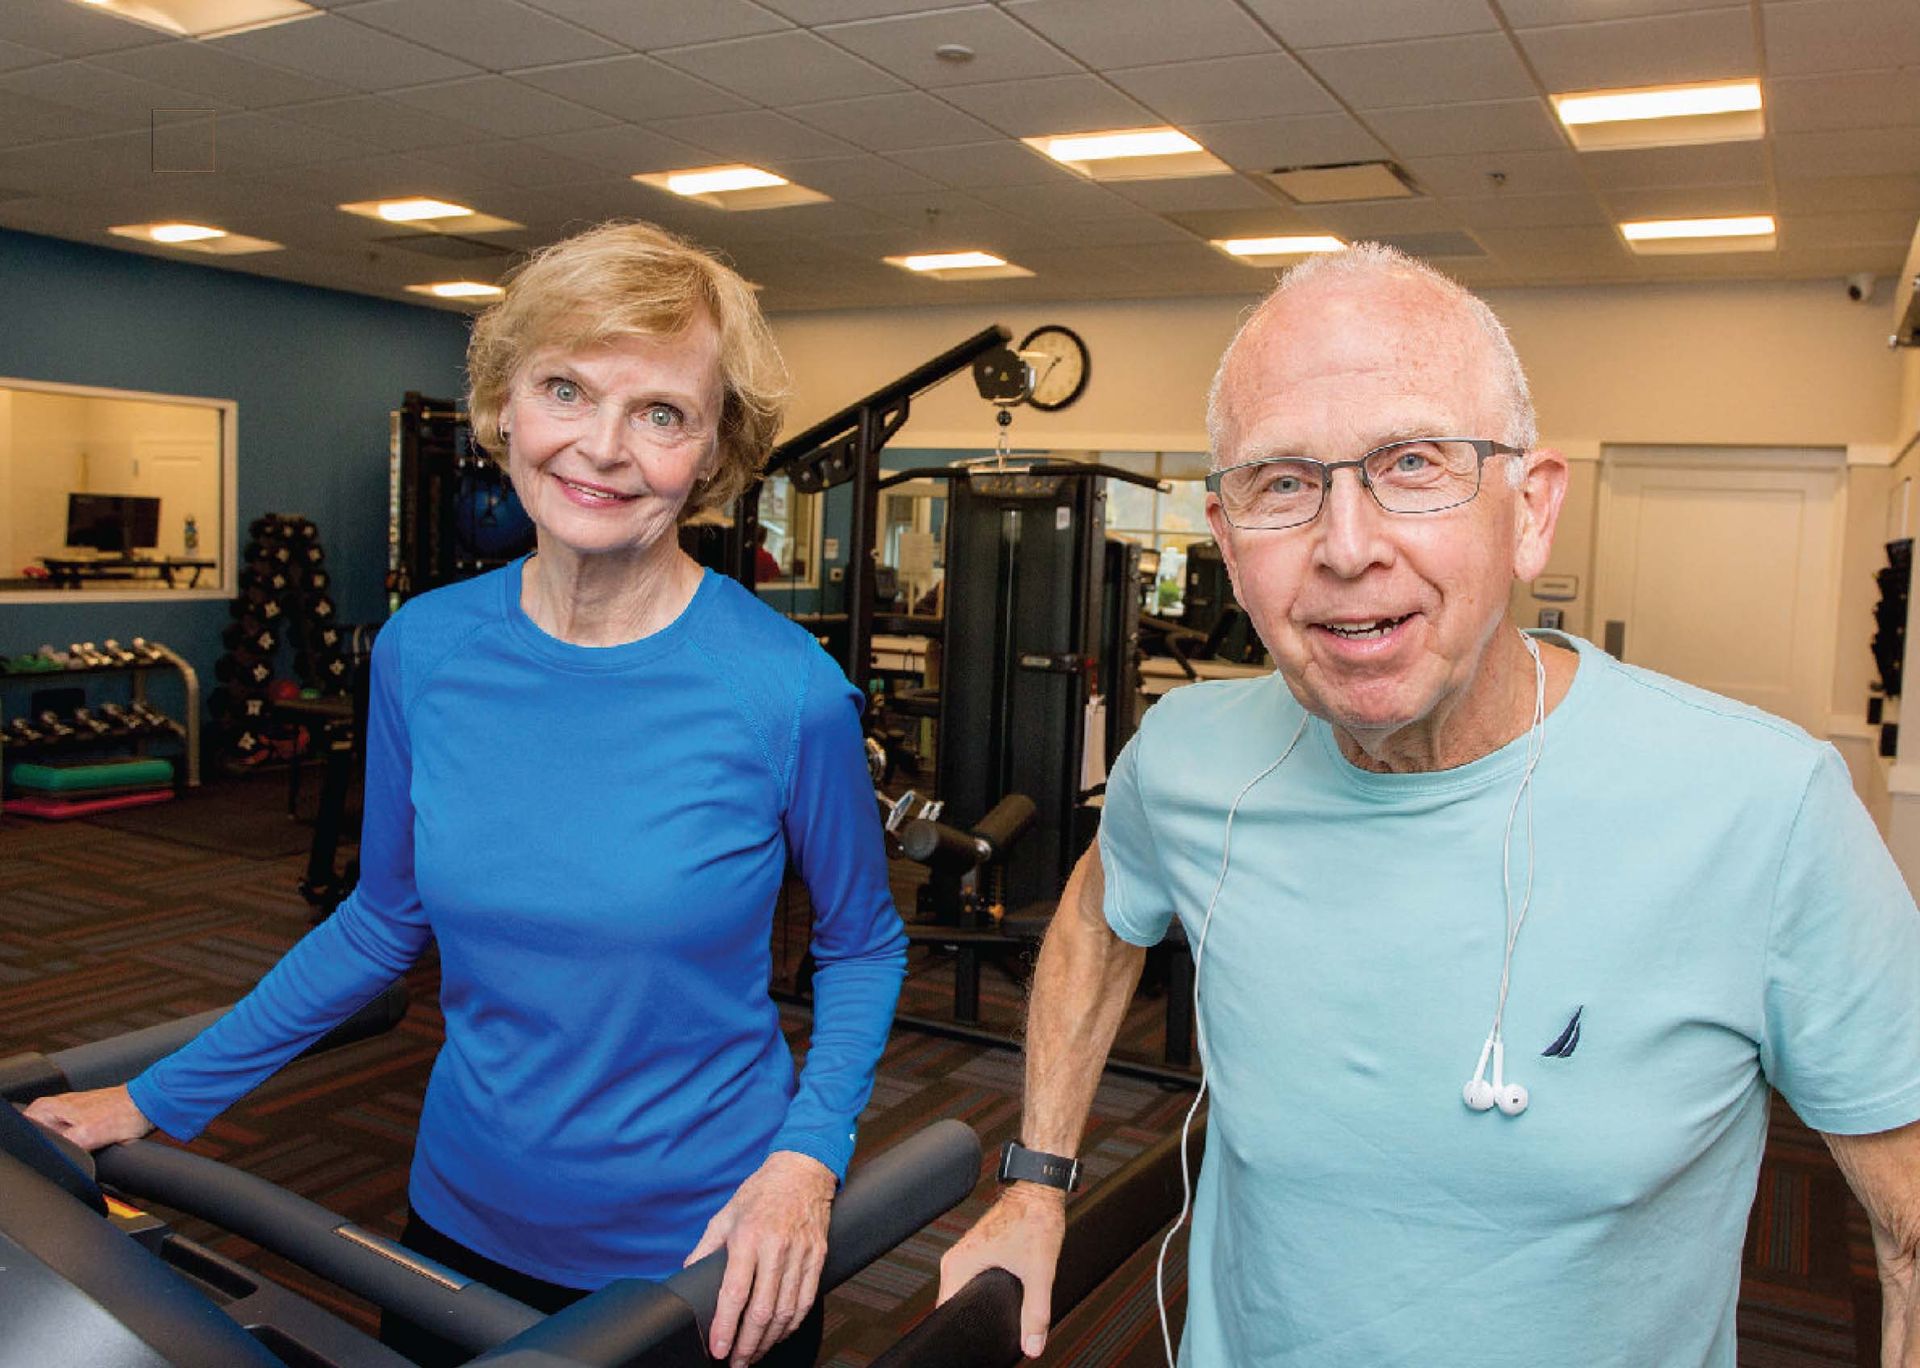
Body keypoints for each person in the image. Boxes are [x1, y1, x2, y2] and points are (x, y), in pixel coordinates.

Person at [938, 243, 1920, 1367]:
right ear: (1226, 538)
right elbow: (1094, 917)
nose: (1347, 550)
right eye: (1284, 484)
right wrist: (1038, 1180)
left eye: (1412, 463)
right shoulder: (1188, 757)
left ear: (1531, 510)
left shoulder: (1767, 805)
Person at [28, 220, 907, 1368]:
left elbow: (863, 945)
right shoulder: (423, 649)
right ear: (502, 407)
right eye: (565, 390)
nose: (602, 448)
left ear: (712, 453)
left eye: (661, 414)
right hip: (458, 1224)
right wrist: (155, 1098)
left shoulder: (788, 693)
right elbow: (383, 918)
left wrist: (808, 1161)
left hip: (705, 1250)